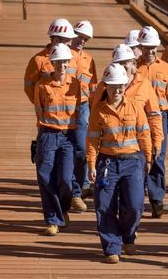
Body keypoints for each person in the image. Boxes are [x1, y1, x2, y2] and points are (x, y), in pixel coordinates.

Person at [87, 63, 152, 264]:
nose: (117, 90)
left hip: (132, 162)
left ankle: (128, 236)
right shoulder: (98, 110)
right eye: (113, 86)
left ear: (125, 86)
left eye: (121, 86)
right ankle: (112, 247)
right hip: (106, 163)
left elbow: (144, 133)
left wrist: (148, 158)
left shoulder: (135, 106)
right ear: (105, 86)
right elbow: (91, 139)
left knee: (134, 205)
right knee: (104, 206)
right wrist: (91, 164)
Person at [33, 43, 81, 236]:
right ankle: (53, 219)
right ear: (52, 63)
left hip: (68, 137)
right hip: (48, 134)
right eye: (59, 61)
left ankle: (63, 209)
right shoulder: (42, 86)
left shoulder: (75, 84)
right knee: (45, 177)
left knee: (65, 179)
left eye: (65, 61)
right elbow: (39, 110)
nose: (62, 65)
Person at [90, 44, 163, 165]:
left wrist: (157, 140)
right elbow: (95, 115)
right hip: (112, 148)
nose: (123, 66)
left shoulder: (144, 84)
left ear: (134, 64)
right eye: (119, 62)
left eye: (126, 62)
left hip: (138, 145)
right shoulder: (104, 86)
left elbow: (154, 115)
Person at [136, 26, 168, 217]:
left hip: (160, 117)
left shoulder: (166, 68)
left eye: (153, 47)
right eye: (146, 48)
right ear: (140, 47)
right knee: (138, 157)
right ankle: (136, 196)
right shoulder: (133, 67)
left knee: (158, 156)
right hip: (138, 117)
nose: (150, 52)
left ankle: (157, 200)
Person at [68, 20, 98, 212]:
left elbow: (93, 86)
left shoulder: (89, 60)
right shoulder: (64, 55)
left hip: (83, 107)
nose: (82, 41)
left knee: (81, 148)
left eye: (85, 39)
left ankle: (79, 187)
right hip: (63, 107)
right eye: (79, 36)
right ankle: (72, 189)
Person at [24, 18, 79, 104]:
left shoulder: (74, 56)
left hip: (70, 111)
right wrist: (41, 103)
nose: (70, 43)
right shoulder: (38, 60)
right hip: (49, 113)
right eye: (68, 40)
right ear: (56, 40)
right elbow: (29, 87)